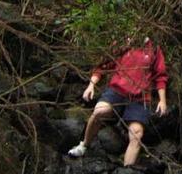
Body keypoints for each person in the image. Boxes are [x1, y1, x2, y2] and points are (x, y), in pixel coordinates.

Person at [67, 36, 169, 166]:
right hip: (116, 91)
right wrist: (91, 85)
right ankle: (83, 146)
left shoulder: (154, 49)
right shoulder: (123, 43)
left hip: (139, 98)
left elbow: (160, 76)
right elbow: (103, 65)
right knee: (99, 111)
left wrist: (162, 100)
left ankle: (127, 170)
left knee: (137, 134)